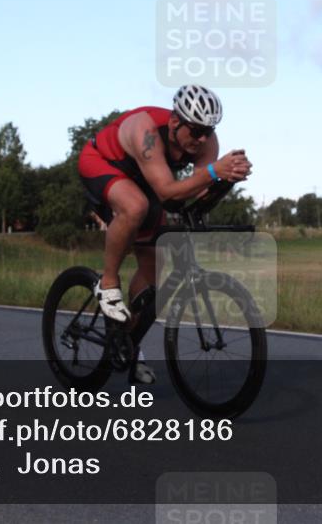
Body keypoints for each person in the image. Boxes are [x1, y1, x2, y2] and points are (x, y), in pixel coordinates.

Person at [78, 85, 252, 383]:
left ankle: (127, 345)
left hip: (145, 182)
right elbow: (168, 191)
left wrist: (227, 181)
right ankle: (108, 283)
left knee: (153, 269)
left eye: (208, 132)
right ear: (174, 122)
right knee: (135, 206)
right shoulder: (145, 129)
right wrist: (214, 172)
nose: (202, 139)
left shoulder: (206, 142)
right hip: (102, 163)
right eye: (196, 131)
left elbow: (195, 194)